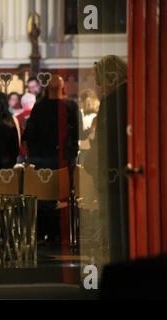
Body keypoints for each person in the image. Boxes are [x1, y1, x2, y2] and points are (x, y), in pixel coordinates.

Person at [23, 75, 79, 243]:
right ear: (63, 89)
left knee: (43, 197)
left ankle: (42, 233)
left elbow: (30, 133)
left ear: (47, 89)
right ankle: (59, 235)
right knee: (63, 197)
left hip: (42, 157)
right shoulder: (70, 106)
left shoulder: (39, 107)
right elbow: (76, 133)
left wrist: (32, 155)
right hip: (62, 158)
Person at [85, 55, 128, 261]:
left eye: (100, 81)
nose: (99, 86)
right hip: (123, 173)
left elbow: (104, 142)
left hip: (112, 174)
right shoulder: (133, 95)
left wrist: (92, 162)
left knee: (115, 226)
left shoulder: (112, 101)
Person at [16, 93, 37, 163]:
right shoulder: (38, 116)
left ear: (22, 103)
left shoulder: (17, 118)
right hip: (35, 153)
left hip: (21, 153)